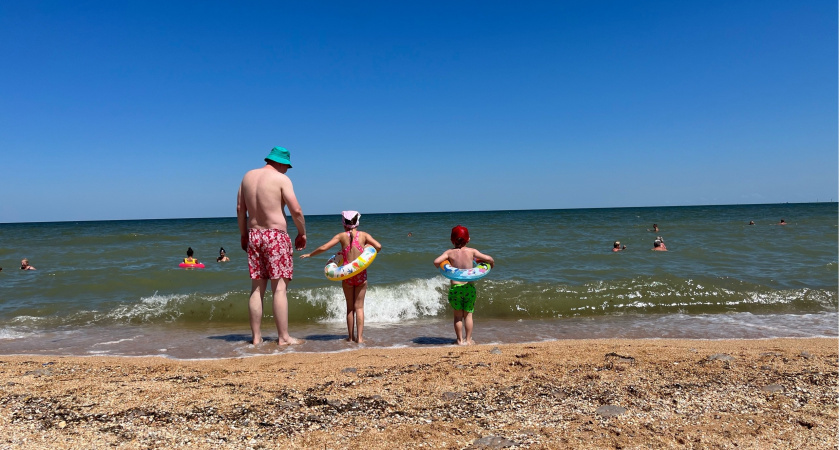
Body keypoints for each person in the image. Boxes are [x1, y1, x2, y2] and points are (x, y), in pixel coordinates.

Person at [237, 146, 307, 346]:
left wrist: (244, 235)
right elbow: (296, 210)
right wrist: (302, 233)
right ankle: (283, 337)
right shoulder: (281, 179)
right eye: (287, 166)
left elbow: (240, 209)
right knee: (279, 289)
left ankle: (256, 338)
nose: (287, 170)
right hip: (276, 236)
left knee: (257, 288)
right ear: (281, 163)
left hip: (254, 234)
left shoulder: (247, 177)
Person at [300, 211, 382, 343]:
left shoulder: (341, 236)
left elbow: (324, 247)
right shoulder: (364, 235)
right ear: (357, 222)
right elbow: (378, 246)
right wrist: (368, 246)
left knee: (350, 308)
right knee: (359, 307)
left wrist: (310, 254)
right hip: (361, 276)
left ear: (344, 224)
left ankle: (350, 337)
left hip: (347, 276)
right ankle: (360, 338)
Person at [432, 225, 495, 346]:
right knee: (468, 315)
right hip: (469, 288)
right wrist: (491, 264)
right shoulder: (472, 251)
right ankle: (469, 340)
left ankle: (459, 340)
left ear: (452, 240)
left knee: (457, 316)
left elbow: (436, 262)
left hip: (456, 289)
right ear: (468, 239)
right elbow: (488, 258)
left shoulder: (449, 252)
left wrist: (443, 266)